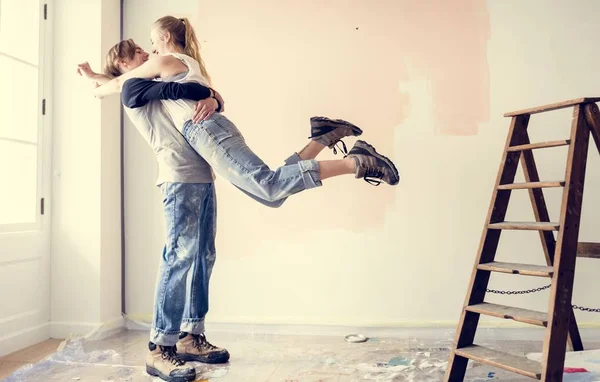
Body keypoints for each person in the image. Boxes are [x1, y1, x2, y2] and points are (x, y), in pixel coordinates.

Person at [78, 16, 399, 382]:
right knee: (186, 252)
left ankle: (190, 336)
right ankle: (160, 349)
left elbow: (152, 82)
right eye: (137, 52)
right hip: (178, 180)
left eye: (148, 45)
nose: (147, 51)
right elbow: (118, 85)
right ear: (123, 66)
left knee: (208, 250)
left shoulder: (159, 74)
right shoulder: (136, 89)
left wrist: (211, 97)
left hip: (201, 175)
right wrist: (97, 80)